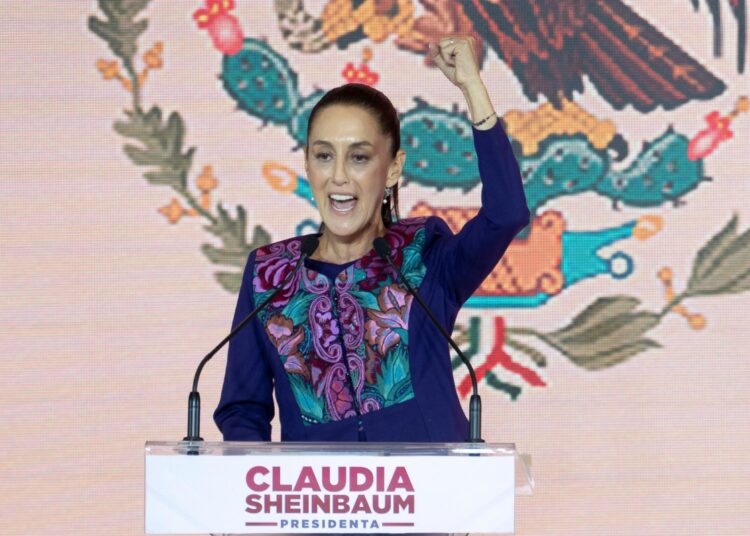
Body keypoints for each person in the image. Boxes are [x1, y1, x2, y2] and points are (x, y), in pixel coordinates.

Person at [214, 36, 530, 442]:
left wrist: (473, 87)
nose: (339, 176)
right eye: (324, 155)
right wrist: (257, 487)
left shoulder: (424, 255)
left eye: (359, 157)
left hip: (435, 495)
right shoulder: (269, 274)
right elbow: (243, 409)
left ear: (393, 168)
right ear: (307, 164)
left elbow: (506, 214)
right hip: (314, 499)